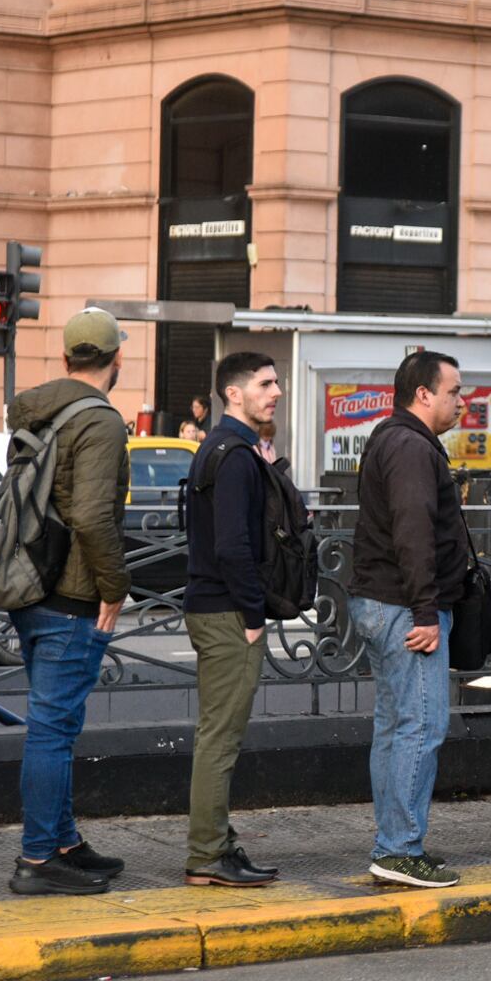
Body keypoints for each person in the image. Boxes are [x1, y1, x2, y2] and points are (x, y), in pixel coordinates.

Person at [6, 308, 131, 897]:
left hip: (30, 585)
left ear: (65, 359)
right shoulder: (100, 421)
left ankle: (62, 841)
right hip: (74, 594)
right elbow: (90, 514)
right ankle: (37, 859)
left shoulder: (35, 410)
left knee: (53, 723)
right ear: (116, 361)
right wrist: (114, 586)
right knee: (53, 730)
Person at [351, 350, 469, 889]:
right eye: (452, 392)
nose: (460, 402)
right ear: (423, 394)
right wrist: (426, 609)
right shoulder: (410, 446)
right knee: (422, 726)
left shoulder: (392, 438)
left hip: (388, 602)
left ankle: (393, 844)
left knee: (396, 727)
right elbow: (413, 528)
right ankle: (399, 850)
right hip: (405, 608)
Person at [181, 353, 285, 888]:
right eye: (265, 384)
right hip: (226, 612)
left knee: (215, 735)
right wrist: (252, 614)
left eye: (276, 382)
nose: (277, 392)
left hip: (210, 605)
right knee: (220, 739)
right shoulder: (238, 456)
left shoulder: (214, 448)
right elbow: (232, 545)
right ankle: (207, 854)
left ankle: (218, 844)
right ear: (233, 394)